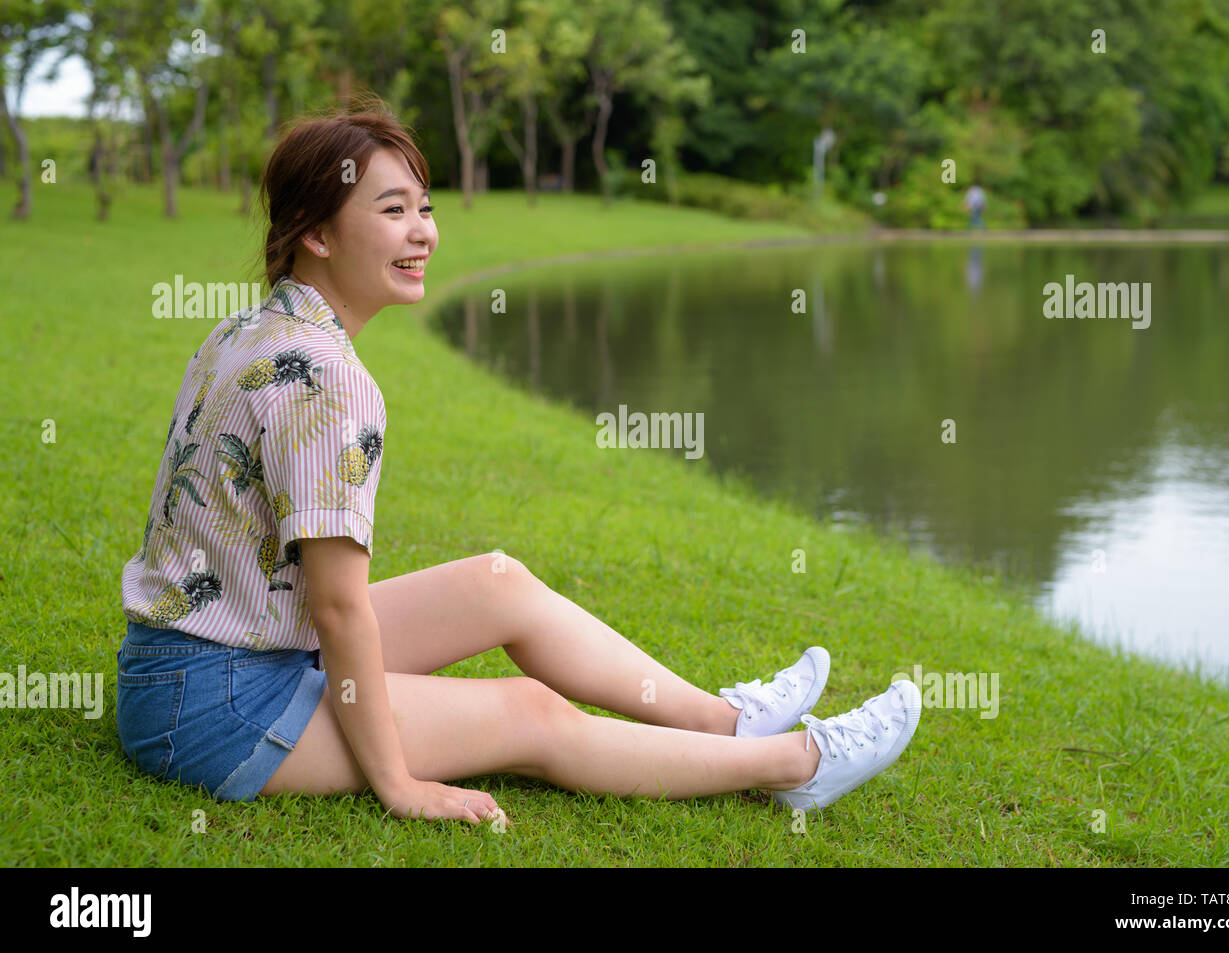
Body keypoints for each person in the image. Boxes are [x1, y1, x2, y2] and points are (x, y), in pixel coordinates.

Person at [116, 94, 922, 827]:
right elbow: (338, 609)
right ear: (317, 234)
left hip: (201, 659)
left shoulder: (250, 327)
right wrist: (396, 781)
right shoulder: (326, 379)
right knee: (529, 713)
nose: (423, 231)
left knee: (495, 581)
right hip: (217, 706)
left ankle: (725, 720)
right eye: (392, 210)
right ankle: (794, 763)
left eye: (423, 208)